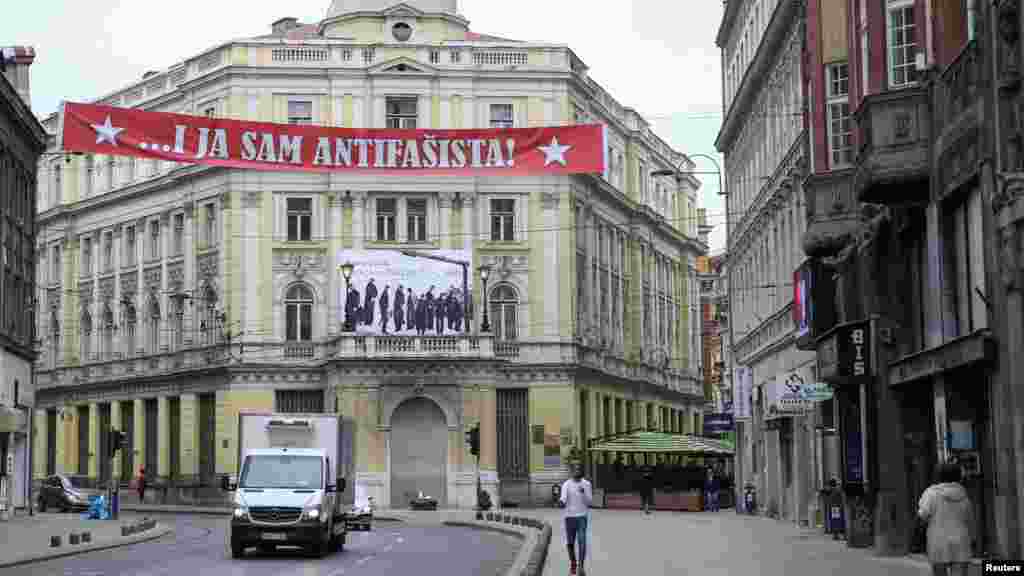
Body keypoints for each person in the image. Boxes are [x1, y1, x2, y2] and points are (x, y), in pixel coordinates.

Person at [918, 462, 974, 576]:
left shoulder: (931, 493)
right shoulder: (964, 495)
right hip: (961, 540)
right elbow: (969, 519)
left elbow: (923, 515)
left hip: (937, 540)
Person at [559, 464, 593, 576]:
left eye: (579, 470)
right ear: (572, 472)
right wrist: (561, 503)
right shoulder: (566, 484)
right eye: (575, 470)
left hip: (582, 516)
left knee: (582, 541)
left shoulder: (586, 484)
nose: (577, 472)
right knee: (570, 543)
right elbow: (563, 498)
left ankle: (581, 567)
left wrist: (584, 493)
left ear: (581, 472)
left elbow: (589, 502)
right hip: (569, 517)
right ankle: (573, 563)